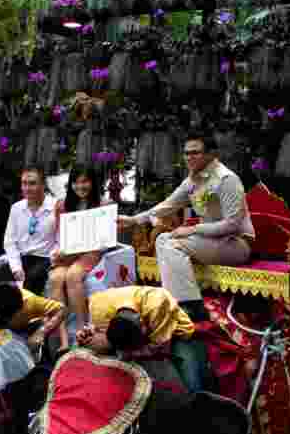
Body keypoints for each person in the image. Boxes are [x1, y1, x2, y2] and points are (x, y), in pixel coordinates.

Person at [117, 133, 255, 323]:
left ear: (210, 155)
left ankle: (189, 309)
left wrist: (193, 230)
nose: (189, 157)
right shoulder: (192, 181)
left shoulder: (227, 179)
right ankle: (181, 302)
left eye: (195, 153)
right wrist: (133, 220)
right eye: (186, 153)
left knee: (172, 244)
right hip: (211, 241)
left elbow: (232, 225)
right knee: (162, 239)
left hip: (236, 244)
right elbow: (167, 205)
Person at [76, 285, 215, 394]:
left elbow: (161, 347)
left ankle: (199, 406)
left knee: (192, 385)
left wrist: (126, 353)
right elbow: (100, 334)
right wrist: (86, 336)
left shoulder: (157, 304)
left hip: (174, 329)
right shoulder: (98, 307)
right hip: (128, 342)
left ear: (143, 322)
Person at [47, 169, 107, 347]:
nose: (80, 186)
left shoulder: (102, 205)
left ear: (93, 183)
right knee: (56, 277)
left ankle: (82, 331)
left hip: (91, 251)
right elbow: (59, 237)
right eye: (76, 182)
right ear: (70, 184)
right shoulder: (62, 205)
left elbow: (104, 240)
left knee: (73, 275)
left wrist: (73, 251)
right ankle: (64, 339)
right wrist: (58, 251)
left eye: (85, 182)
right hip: (67, 252)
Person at [0, 168, 56, 296]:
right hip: (21, 258)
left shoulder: (56, 206)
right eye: (24, 183)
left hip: (46, 258)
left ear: (43, 185)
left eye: (32, 183)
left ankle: (28, 315)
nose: (27, 188)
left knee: (31, 280)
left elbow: (60, 239)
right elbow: (9, 241)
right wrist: (16, 267)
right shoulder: (17, 208)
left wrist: (54, 258)